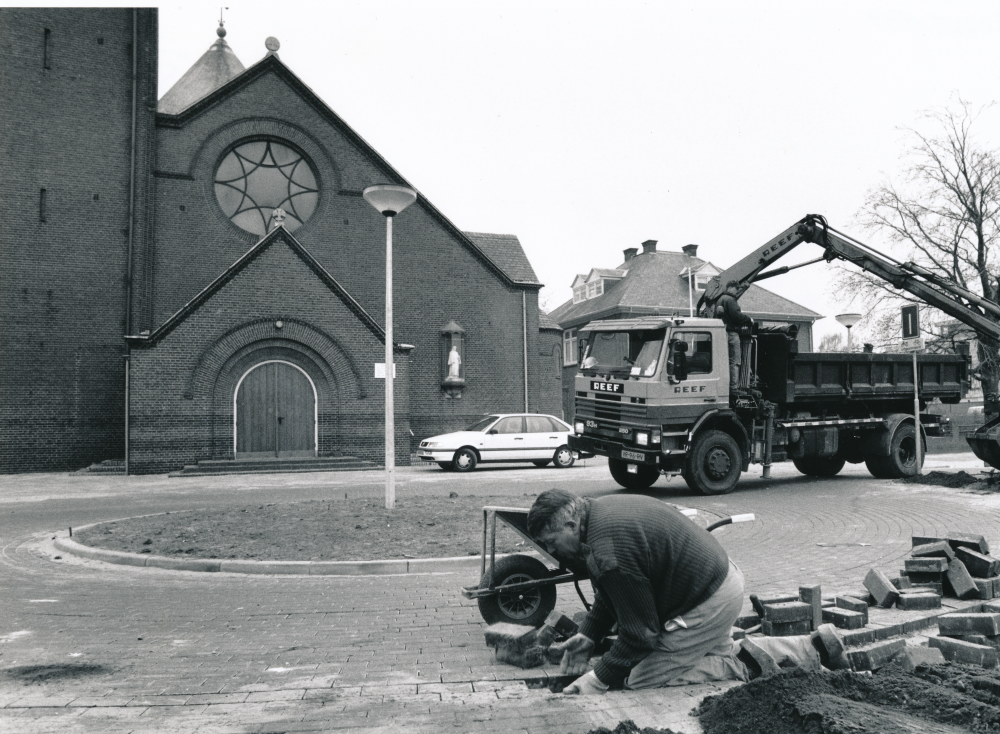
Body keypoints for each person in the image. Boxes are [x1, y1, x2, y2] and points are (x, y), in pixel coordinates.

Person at [527, 490, 831, 694]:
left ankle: (747, 667)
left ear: (569, 524)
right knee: (712, 650)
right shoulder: (597, 514)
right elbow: (615, 592)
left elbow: (641, 635)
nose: (551, 550)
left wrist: (597, 680)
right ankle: (811, 648)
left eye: (551, 541)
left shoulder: (606, 551)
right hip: (717, 582)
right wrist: (589, 634)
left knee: (637, 676)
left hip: (707, 602)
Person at [713, 280, 752, 394]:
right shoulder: (730, 300)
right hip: (731, 333)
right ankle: (734, 387)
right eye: (736, 288)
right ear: (730, 288)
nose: (737, 291)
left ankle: (728, 385)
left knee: (725, 361)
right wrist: (749, 320)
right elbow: (737, 317)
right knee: (735, 361)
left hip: (722, 332)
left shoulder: (720, 299)